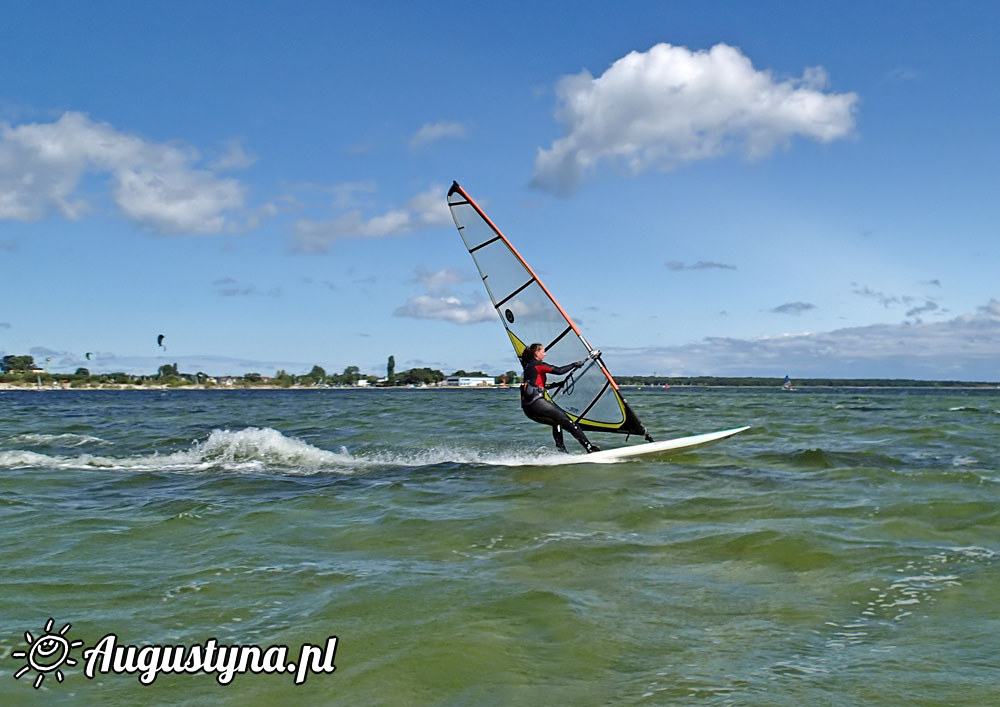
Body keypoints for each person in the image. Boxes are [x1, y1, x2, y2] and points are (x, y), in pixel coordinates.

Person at [520, 343, 600, 453]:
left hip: (528, 409)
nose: (545, 354)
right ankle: (590, 448)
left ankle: (562, 451)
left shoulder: (528, 368)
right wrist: (574, 364)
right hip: (537, 403)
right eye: (543, 351)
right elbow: (558, 371)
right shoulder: (537, 365)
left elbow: (537, 385)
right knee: (569, 422)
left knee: (556, 422)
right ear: (536, 353)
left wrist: (556, 385)